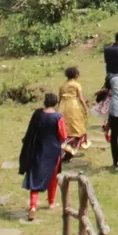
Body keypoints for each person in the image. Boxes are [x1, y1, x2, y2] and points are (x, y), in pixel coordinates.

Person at [18, 92, 66, 221]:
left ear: (45, 102)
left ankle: (33, 206)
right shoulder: (58, 117)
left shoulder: (37, 115)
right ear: (56, 103)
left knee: (35, 178)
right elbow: (63, 135)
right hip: (53, 151)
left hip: (37, 150)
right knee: (52, 177)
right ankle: (51, 203)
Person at [58, 66, 90, 157]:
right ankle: (71, 148)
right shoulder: (76, 85)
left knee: (65, 129)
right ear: (76, 75)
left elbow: (59, 99)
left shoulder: (62, 86)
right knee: (76, 128)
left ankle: (66, 148)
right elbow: (80, 98)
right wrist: (85, 108)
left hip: (62, 107)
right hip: (73, 107)